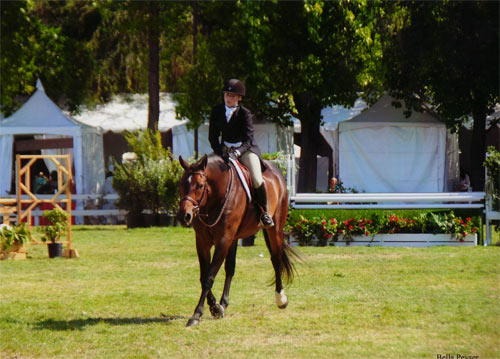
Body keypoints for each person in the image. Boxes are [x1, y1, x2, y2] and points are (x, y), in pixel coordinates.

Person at [208, 79, 274, 228]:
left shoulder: (245, 114)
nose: (229, 98)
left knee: (257, 179)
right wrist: (220, 152)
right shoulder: (216, 111)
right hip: (224, 149)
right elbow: (212, 137)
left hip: (244, 150)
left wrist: (237, 153)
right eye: (227, 94)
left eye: (232, 95)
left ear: (239, 98)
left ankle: (264, 212)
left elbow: (248, 139)